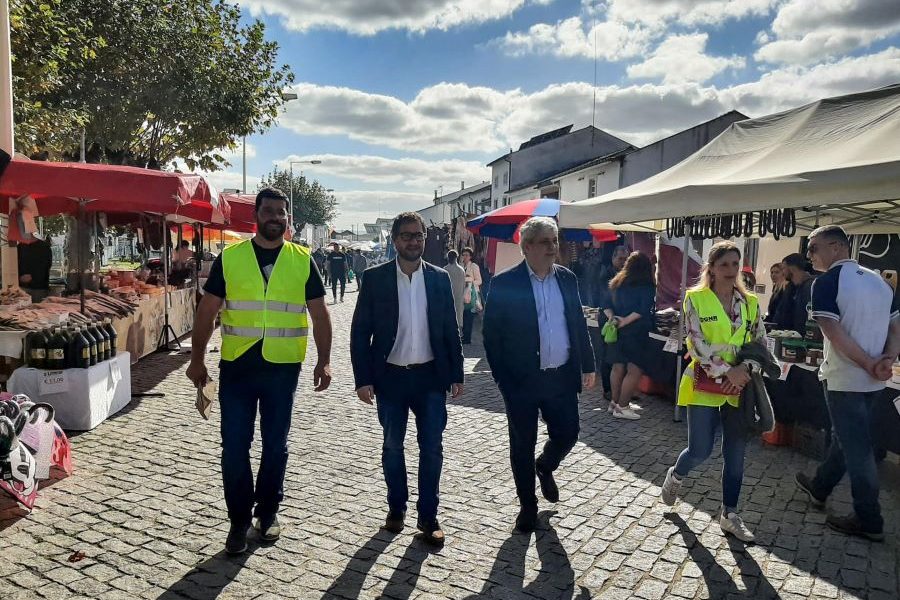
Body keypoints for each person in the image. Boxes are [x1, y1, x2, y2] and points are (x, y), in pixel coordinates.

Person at [186, 187, 333, 555]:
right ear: (257, 215)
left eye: (282, 213)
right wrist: (197, 357)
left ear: (287, 218)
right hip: (238, 365)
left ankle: (267, 514)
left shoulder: (303, 259)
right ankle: (238, 521)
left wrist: (325, 359)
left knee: (275, 446)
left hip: (283, 369)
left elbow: (320, 313)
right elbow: (207, 310)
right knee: (234, 446)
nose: (276, 218)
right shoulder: (231, 257)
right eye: (270, 211)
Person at [350, 212, 464, 547]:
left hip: (430, 377)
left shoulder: (440, 279)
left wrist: (456, 373)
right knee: (392, 446)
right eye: (406, 236)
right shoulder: (375, 279)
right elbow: (360, 333)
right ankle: (396, 508)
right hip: (391, 379)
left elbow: (449, 330)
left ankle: (428, 517)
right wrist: (363, 378)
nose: (413, 241)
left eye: (419, 235)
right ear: (395, 240)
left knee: (432, 449)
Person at [482, 217, 596, 533]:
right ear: (527, 246)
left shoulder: (567, 279)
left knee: (568, 433)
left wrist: (588, 364)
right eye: (545, 242)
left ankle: (545, 466)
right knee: (522, 443)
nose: (552, 247)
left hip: (560, 377)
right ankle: (527, 506)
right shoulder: (505, 283)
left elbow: (577, 325)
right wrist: (503, 379)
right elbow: (492, 336)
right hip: (521, 380)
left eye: (554, 241)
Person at [795, 225, 900, 542]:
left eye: (813, 248)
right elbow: (896, 328)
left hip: (846, 378)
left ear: (837, 247)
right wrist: (887, 358)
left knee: (857, 448)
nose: (809, 255)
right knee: (848, 439)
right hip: (873, 380)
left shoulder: (826, 282)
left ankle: (869, 519)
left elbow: (833, 332)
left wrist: (873, 361)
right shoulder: (880, 283)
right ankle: (820, 486)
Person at [660, 241, 765, 543]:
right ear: (711, 268)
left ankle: (730, 514)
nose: (731, 270)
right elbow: (695, 343)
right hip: (705, 383)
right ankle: (676, 475)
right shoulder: (696, 299)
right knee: (700, 450)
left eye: (735, 264)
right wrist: (726, 371)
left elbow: (760, 342)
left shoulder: (751, 303)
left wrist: (745, 370)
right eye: (724, 265)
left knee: (735, 454)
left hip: (738, 387)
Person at [603, 252, 656, 420]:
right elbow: (642, 309)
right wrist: (625, 321)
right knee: (635, 369)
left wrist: (613, 319)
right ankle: (623, 406)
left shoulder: (616, 283)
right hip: (637, 332)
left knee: (617, 367)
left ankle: (614, 402)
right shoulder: (647, 286)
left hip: (616, 330)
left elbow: (604, 305)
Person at [595, 245, 629, 400]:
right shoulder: (606, 274)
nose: (623, 262)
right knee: (607, 355)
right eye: (620, 258)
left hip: (621, 320)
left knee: (619, 357)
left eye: (626, 259)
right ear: (613, 258)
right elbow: (604, 300)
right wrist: (611, 317)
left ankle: (620, 388)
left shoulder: (627, 275)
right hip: (608, 319)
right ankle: (607, 390)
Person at [778, 253, 815, 335]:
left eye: (784, 268)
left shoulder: (809, 287)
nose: (782, 273)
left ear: (792, 268)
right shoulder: (793, 287)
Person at [17, 235, 52, 302]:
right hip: (22, 289)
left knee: (39, 311)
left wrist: (33, 277)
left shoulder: (44, 247)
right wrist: (19, 278)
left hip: (39, 289)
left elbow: (46, 266)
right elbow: (14, 266)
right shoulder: (19, 247)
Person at [460, 247, 482, 344]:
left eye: (467, 255)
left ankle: (467, 338)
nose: (465, 257)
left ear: (470, 257)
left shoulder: (473, 266)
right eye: (463, 255)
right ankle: (464, 336)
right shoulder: (460, 266)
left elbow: (479, 281)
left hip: (471, 294)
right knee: (463, 316)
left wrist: (469, 281)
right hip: (462, 295)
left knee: (469, 316)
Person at [445, 249, 466, 332]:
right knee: (458, 320)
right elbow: (463, 286)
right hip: (459, 298)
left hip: (448, 299)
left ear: (448, 258)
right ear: (456, 258)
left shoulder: (445, 270)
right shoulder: (461, 270)